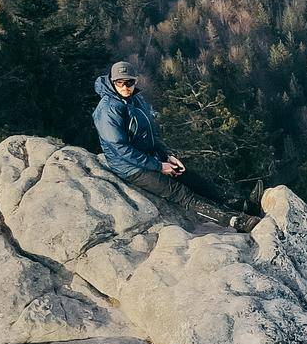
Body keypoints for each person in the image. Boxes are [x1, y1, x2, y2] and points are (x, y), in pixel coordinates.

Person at [92, 62, 259, 232]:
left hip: (151, 156)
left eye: (129, 82)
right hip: (130, 167)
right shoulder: (108, 109)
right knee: (180, 193)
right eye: (120, 82)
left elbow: (151, 132)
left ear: (136, 81)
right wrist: (158, 166)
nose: (125, 86)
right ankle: (236, 221)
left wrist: (166, 156)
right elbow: (121, 149)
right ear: (112, 82)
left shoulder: (135, 99)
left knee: (192, 179)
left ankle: (243, 205)